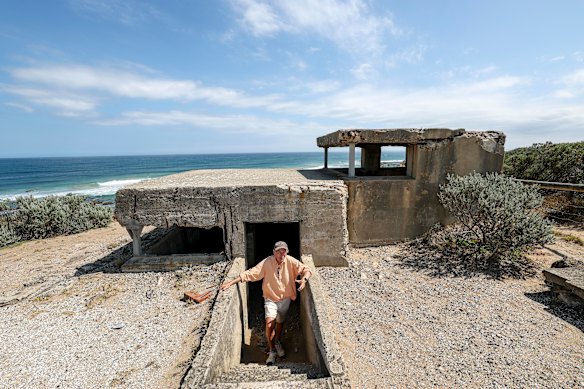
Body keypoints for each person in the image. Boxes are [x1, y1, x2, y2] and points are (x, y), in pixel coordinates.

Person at [220, 240, 312, 365]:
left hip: (285, 299)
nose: (282, 255)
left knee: (280, 322)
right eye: (279, 252)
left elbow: (306, 269)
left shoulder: (290, 261)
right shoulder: (267, 262)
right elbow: (251, 273)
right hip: (270, 298)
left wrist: (304, 280)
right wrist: (230, 283)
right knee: (270, 323)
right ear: (274, 252)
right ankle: (272, 350)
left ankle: (277, 341)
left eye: (284, 252)